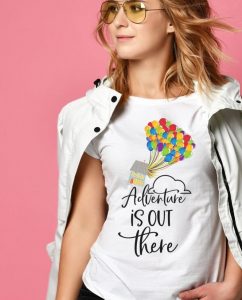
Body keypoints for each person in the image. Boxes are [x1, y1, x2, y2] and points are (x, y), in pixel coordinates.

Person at [46, 1, 242, 299]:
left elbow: (239, 206)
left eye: (136, 8)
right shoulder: (96, 114)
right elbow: (85, 222)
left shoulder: (219, 111)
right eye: (113, 9)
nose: (118, 22)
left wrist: (234, 286)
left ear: (173, 21)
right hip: (103, 290)